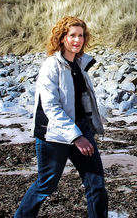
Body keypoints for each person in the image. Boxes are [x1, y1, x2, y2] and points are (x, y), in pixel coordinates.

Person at [14, 16, 108, 218]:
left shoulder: (80, 64)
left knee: (96, 183)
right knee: (46, 185)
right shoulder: (51, 66)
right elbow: (51, 107)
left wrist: (89, 127)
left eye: (81, 35)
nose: (77, 40)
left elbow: (82, 101)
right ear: (62, 38)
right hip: (53, 135)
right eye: (72, 35)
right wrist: (76, 136)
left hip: (80, 129)